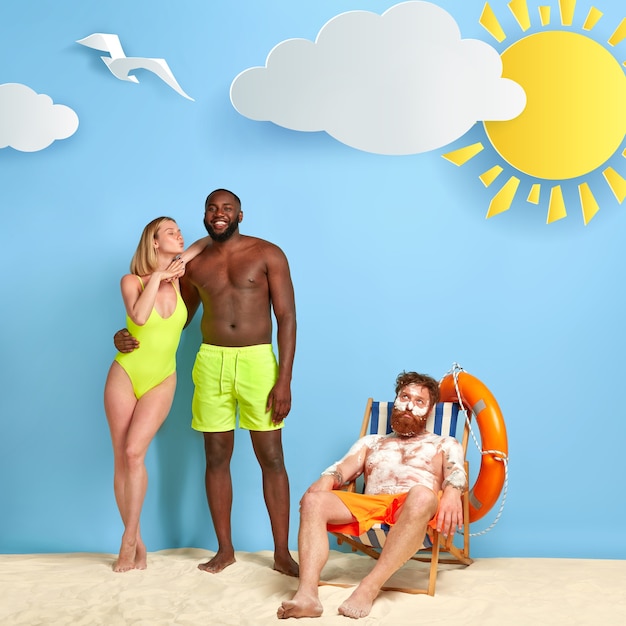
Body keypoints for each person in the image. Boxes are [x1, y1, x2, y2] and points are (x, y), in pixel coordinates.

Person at [114, 189, 299, 577]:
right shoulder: (192, 267)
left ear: (240, 215)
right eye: (212, 209)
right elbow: (171, 319)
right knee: (216, 456)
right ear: (205, 215)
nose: (219, 214)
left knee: (272, 457)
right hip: (211, 360)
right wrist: (123, 335)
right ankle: (225, 550)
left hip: (257, 362)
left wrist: (284, 379)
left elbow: (286, 317)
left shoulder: (268, 254)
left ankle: (282, 552)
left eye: (226, 209)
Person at [277, 371, 466, 620]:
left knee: (421, 494)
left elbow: (456, 474)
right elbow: (341, 469)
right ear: (396, 401)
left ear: (429, 410)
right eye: (405, 397)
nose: (409, 405)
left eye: (419, 401)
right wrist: (326, 479)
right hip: (368, 506)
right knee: (314, 500)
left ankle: (368, 587)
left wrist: (452, 493)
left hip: (411, 507)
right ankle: (307, 595)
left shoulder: (445, 443)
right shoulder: (372, 442)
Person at [104, 217, 208, 572]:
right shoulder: (131, 281)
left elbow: (206, 241)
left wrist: (174, 270)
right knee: (123, 457)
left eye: (179, 230)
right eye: (170, 231)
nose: (179, 234)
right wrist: (159, 278)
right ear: (152, 242)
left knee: (136, 452)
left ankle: (128, 541)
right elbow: (139, 316)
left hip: (162, 378)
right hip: (125, 372)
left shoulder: (182, 278)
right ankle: (136, 541)